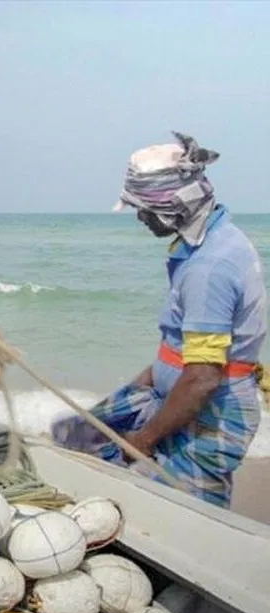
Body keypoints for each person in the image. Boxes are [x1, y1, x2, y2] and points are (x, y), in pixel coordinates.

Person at [52, 133, 267, 509]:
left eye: (144, 209)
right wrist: (127, 397)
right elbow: (179, 353)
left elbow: (203, 377)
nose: (140, 217)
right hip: (172, 391)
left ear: (172, 206)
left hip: (209, 413)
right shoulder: (208, 243)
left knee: (190, 518)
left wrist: (143, 441)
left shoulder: (210, 268)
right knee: (74, 436)